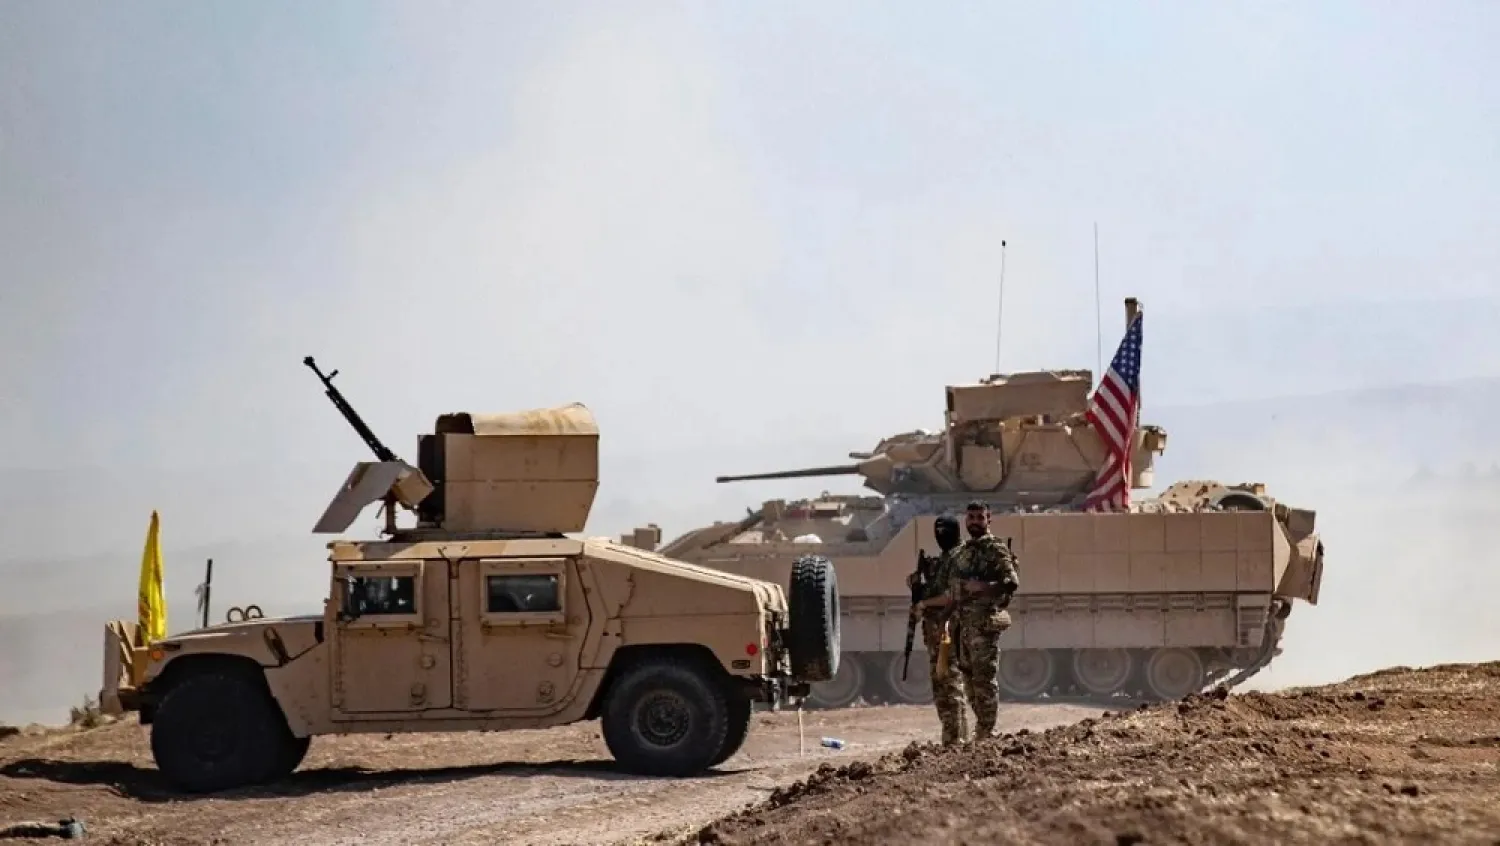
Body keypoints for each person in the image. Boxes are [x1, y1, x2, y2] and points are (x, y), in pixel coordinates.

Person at [950, 500, 1020, 740]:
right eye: (971, 517)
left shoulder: (995, 549)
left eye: (980, 517)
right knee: (969, 681)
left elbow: (1011, 582)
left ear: (989, 519)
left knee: (984, 680)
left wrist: (983, 587)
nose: (975, 522)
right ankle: (982, 728)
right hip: (963, 625)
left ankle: (986, 732)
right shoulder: (965, 550)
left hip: (983, 624)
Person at [908, 514, 969, 745]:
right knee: (941, 686)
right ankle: (951, 737)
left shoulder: (958, 559)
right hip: (937, 632)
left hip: (950, 630)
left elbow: (952, 595)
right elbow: (936, 589)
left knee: (951, 685)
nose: (940, 536)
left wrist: (924, 604)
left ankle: (957, 740)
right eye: (937, 531)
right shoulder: (945, 558)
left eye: (944, 531)